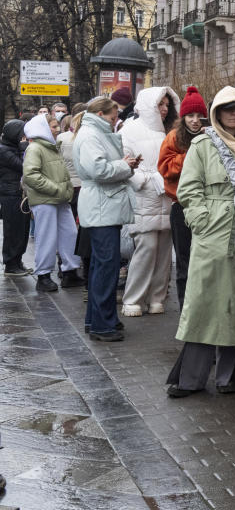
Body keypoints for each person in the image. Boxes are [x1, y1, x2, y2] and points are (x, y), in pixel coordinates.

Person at [166, 86, 235, 397]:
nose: (234, 114)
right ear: (218, 113)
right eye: (228, 108)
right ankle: (191, 379)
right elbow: (188, 189)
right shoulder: (203, 145)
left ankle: (231, 376)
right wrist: (203, 221)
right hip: (214, 232)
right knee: (205, 303)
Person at [74, 96, 140, 342]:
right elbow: (99, 170)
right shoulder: (92, 135)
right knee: (106, 267)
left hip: (103, 205)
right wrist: (124, 166)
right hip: (102, 206)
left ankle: (98, 319)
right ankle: (102, 324)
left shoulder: (93, 132)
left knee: (102, 266)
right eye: (113, 115)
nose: (116, 119)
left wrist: (124, 165)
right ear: (101, 114)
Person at [119, 86, 180, 317]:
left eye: (167, 105)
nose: (165, 109)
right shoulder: (130, 130)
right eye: (160, 105)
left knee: (165, 253)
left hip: (169, 196)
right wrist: (146, 179)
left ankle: (157, 297)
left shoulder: (171, 130)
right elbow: (124, 162)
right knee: (146, 249)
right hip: (144, 199)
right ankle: (133, 298)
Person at [158, 86, 208, 310]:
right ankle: (186, 309)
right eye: (190, 115)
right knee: (184, 261)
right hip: (181, 205)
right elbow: (165, 168)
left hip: (208, 205)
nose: (195, 121)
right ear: (183, 117)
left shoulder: (211, 137)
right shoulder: (173, 137)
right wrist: (190, 157)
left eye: (199, 116)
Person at [22, 115, 85, 292]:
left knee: (70, 234)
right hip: (46, 200)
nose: (58, 129)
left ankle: (69, 272)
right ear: (43, 129)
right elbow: (31, 175)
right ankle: (43, 275)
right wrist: (57, 189)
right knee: (47, 238)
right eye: (54, 126)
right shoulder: (36, 148)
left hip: (58, 199)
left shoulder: (50, 147)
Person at [0, 120, 32, 276]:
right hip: (11, 194)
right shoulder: (3, 150)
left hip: (19, 194)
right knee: (13, 230)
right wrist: (24, 148)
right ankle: (11, 264)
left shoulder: (12, 147)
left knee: (22, 230)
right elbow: (23, 165)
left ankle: (18, 261)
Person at [57, 112, 85, 222]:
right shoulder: (89, 137)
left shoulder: (61, 137)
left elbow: (57, 160)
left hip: (67, 183)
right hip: (83, 183)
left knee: (68, 217)